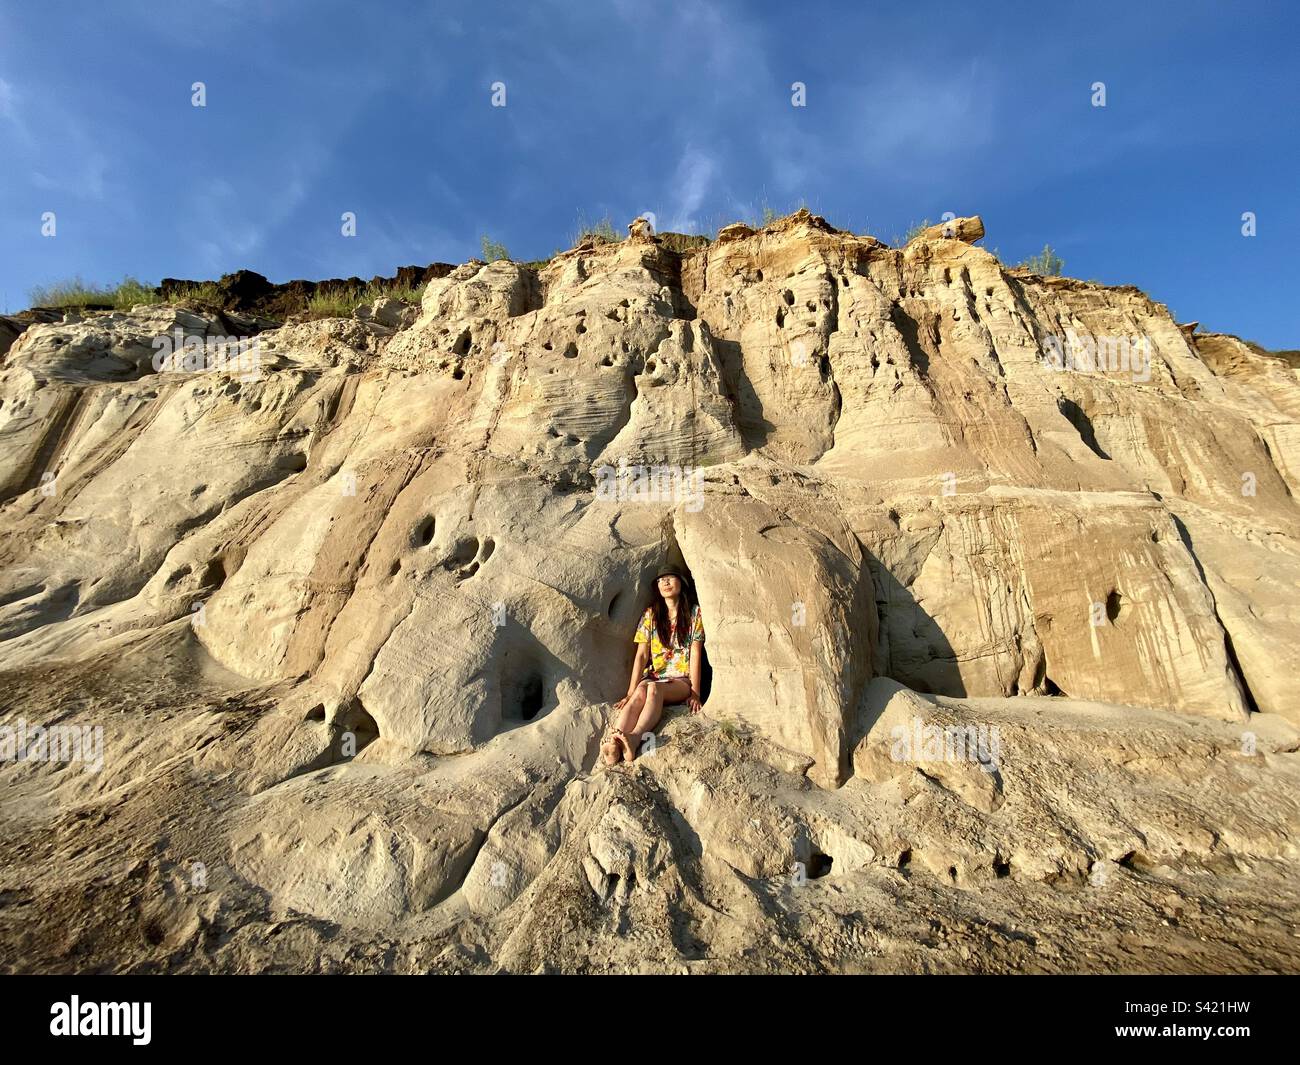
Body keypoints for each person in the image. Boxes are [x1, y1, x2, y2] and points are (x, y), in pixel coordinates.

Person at [602, 568, 705, 766]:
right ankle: (615, 742)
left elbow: (696, 653)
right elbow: (641, 655)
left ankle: (634, 737)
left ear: (681, 583)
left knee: (654, 689)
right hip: (655, 676)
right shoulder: (651, 614)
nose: (665, 583)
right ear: (657, 587)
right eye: (661, 580)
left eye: (670, 578)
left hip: (680, 680)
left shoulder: (694, 614)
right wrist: (630, 692)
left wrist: (695, 693)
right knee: (642, 690)